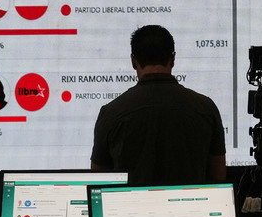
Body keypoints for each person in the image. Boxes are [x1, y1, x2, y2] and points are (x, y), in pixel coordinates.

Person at [90, 24, 227, 187]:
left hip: (131, 204)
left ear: (133, 61)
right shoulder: (206, 108)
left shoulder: (111, 113)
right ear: (173, 59)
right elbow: (219, 178)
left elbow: (98, 181)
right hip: (191, 203)